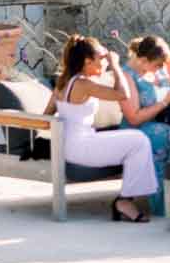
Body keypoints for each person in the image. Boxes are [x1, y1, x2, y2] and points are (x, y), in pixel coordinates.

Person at [47, 34, 157, 221]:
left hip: (70, 146)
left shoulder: (64, 82)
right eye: (101, 59)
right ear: (88, 61)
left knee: (135, 140)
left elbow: (46, 115)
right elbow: (123, 94)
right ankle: (124, 201)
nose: (105, 62)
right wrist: (115, 65)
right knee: (139, 140)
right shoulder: (83, 84)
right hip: (82, 148)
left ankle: (127, 198)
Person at [122, 35, 170, 217]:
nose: (160, 69)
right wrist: (164, 103)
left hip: (161, 122)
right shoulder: (127, 76)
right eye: (157, 65)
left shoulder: (155, 72)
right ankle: (163, 206)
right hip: (137, 129)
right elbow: (133, 118)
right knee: (163, 136)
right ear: (143, 60)